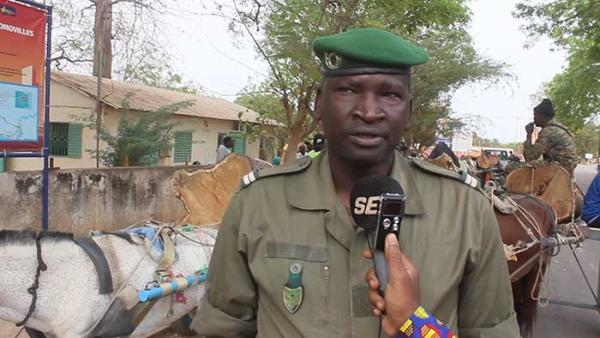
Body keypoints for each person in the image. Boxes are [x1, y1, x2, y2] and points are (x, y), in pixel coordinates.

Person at [191, 28, 518, 337]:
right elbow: (222, 329)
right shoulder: (257, 203)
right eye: (348, 90)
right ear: (319, 105)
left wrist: (415, 325)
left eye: (390, 94)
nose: (369, 111)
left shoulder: (465, 210)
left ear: (408, 112)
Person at [506, 99, 577, 173]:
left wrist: (529, 134)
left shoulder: (548, 131)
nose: (534, 118)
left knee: (511, 167)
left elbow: (530, 156)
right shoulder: (558, 128)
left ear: (541, 116)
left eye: (535, 115)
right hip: (568, 165)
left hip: (559, 166)